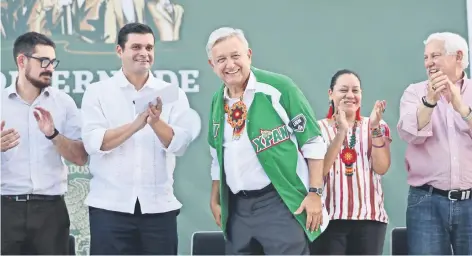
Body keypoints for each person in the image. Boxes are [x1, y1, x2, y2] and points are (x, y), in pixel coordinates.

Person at [206, 27, 328, 255]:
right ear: (212, 65)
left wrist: (315, 193)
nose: (230, 65)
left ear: (249, 55)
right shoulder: (217, 101)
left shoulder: (280, 88)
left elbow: (313, 142)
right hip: (237, 210)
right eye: (221, 59)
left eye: (235, 56)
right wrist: (215, 199)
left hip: (278, 203)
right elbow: (216, 156)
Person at [81, 22, 198, 255]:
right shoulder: (98, 92)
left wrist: (155, 123)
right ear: (119, 51)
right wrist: (136, 124)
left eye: (149, 48)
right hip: (109, 208)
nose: (144, 54)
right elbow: (94, 142)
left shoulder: (171, 93)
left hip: (158, 209)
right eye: (136, 47)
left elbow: (180, 143)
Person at [1, 32, 88, 255]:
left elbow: (80, 157)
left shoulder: (63, 103)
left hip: (51, 211)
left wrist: (54, 135)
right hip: (5, 208)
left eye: (53, 62)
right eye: (44, 61)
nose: (50, 67)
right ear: (22, 61)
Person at [397, 32, 472, 255]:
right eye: (426, 57)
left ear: (458, 56)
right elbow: (410, 134)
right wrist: (429, 101)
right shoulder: (414, 92)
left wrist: (462, 109)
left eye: (435, 56)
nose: (428, 63)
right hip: (426, 201)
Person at [309, 69, 391, 255]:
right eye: (343, 90)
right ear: (331, 94)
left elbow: (382, 167)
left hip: (369, 219)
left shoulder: (375, 125)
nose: (350, 96)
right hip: (328, 218)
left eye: (356, 91)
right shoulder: (317, 129)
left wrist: (375, 128)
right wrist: (341, 133)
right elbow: (317, 172)